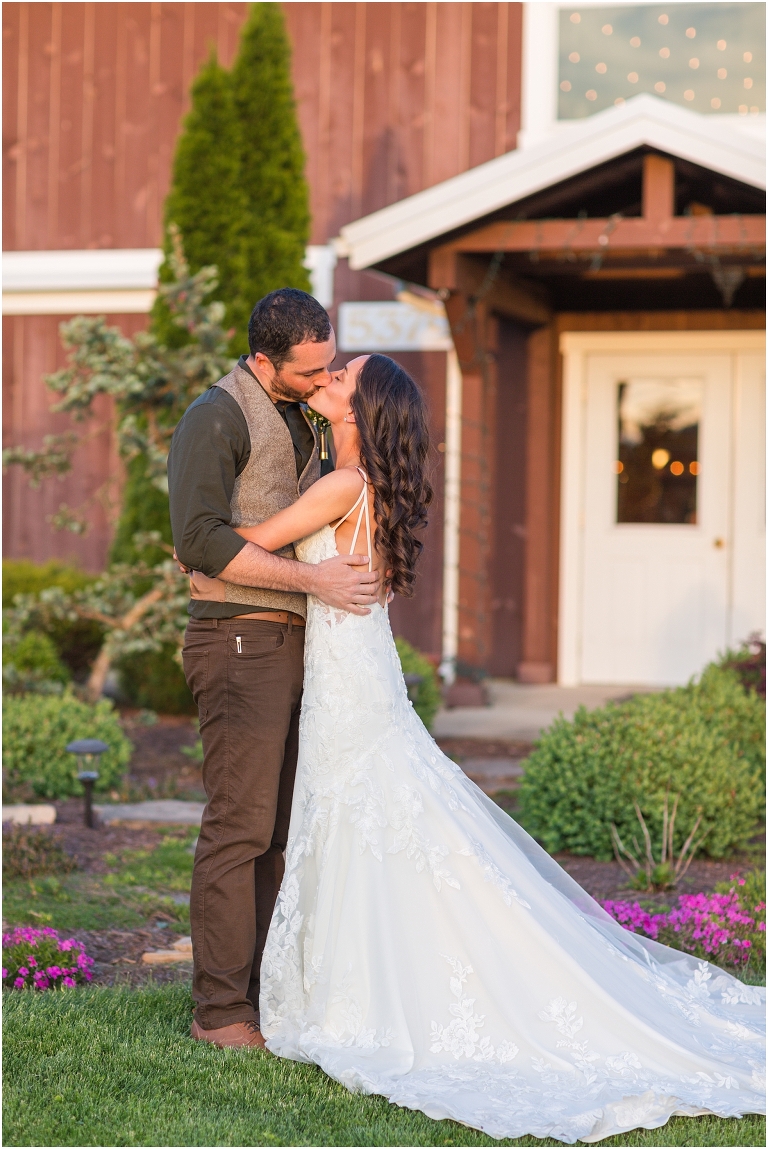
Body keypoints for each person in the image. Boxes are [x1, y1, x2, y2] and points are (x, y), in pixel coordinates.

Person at [220, 351, 764, 1143]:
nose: (328, 377)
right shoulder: (359, 483)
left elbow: (246, 545)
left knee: (366, 820)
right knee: (380, 823)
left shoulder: (341, 485)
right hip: (357, 680)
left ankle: (366, 998)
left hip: (352, 689)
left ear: (360, 408)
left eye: (342, 376)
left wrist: (202, 528)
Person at [167, 289, 381, 1051]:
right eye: (308, 370)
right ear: (264, 359)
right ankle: (219, 1011)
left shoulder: (312, 416)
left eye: (330, 364)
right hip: (236, 642)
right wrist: (313, 582)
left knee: (282, 830)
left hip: (297, 647)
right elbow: (198, 538)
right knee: (240, 827)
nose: (322, 379)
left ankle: (261, 992)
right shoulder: (216, 415)